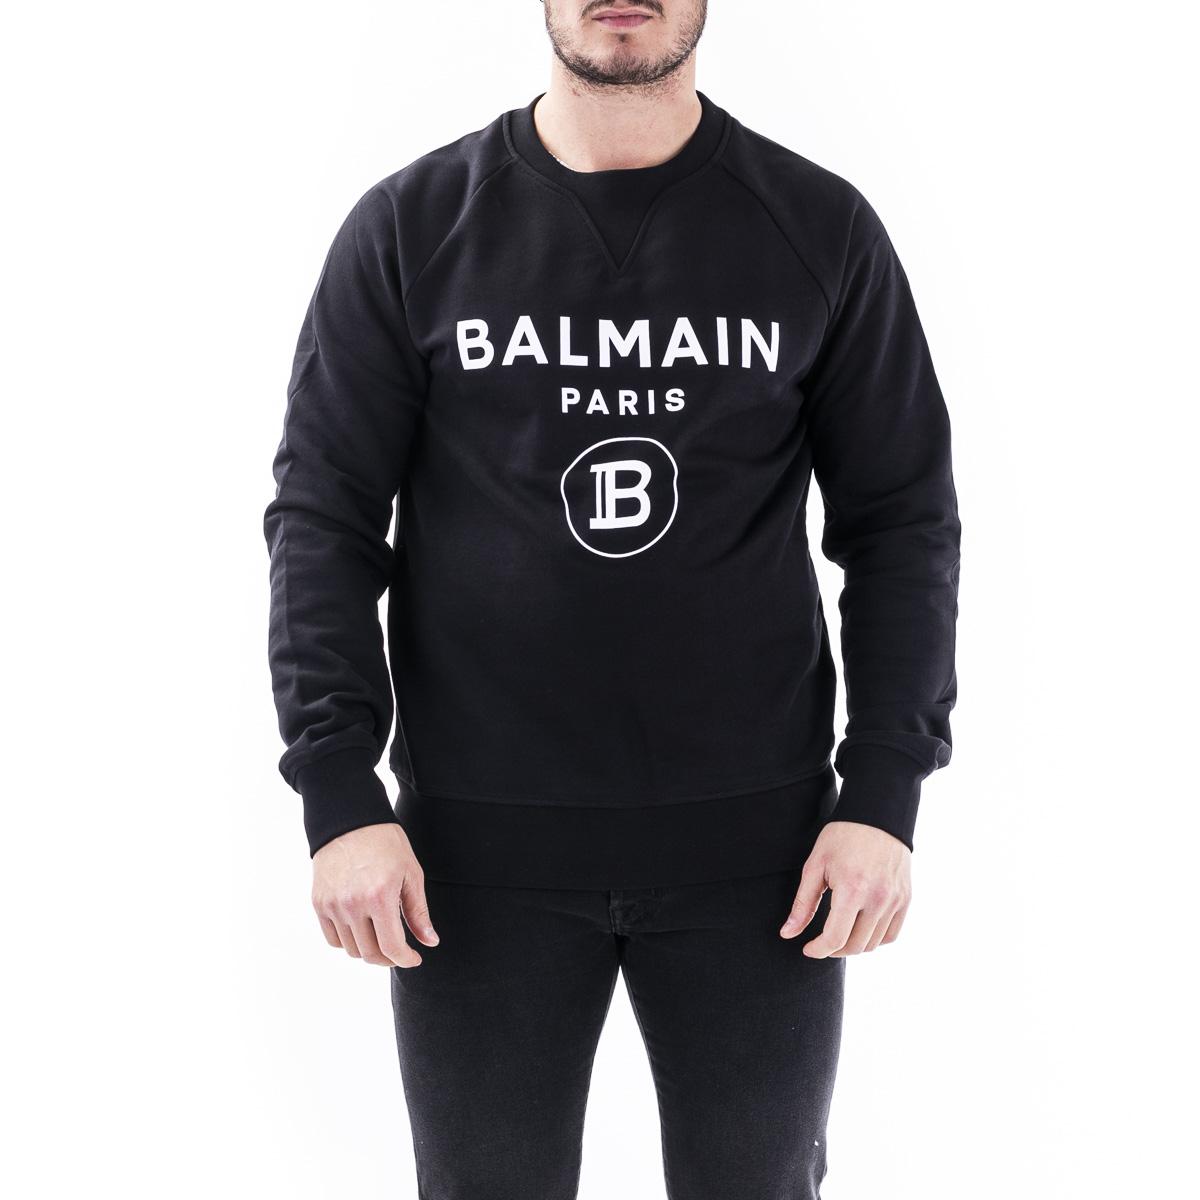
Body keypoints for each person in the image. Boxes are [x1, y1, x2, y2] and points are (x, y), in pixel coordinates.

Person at [263, 2, 960, 1196]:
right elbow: (323, 519)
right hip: (470, 866)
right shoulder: (412, 228)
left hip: (765, 862)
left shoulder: (818, 227)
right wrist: (338, 794)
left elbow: (902, 523)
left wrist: (886, 795)